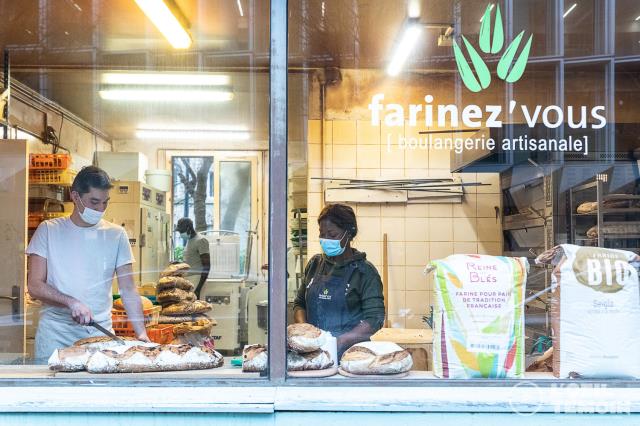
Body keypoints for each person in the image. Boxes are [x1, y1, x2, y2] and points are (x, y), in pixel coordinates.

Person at [26, 166, 149, 362]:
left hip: (99, 337)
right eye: (94, 202)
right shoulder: (48, 231)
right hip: (55, 336)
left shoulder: (116, 234)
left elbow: (128, 289)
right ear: (75, 196)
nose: (100, 209)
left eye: (105, 202)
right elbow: (34, 286)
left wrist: (141, 333)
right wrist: (71, 302)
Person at [293, 203, 385, 356]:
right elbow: (299, 304)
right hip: (313, 352)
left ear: (348, 234)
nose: (325, 239)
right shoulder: (315, 264)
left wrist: (338, 342)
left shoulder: (365, 272)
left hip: (350, 354)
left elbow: (374, 319)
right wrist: (305, 333)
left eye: (332, 234)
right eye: (322, 234)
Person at [175, 218, 211, 298]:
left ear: (188, 228)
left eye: (181, 231)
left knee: (198, 308)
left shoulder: (201, 240)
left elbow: (207, 266)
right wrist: (179, 264)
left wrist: (198, 289)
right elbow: (191, 260)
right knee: (190, 308)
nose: (180, 233)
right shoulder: (190, 240)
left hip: (197, 279)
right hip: (189, 279)